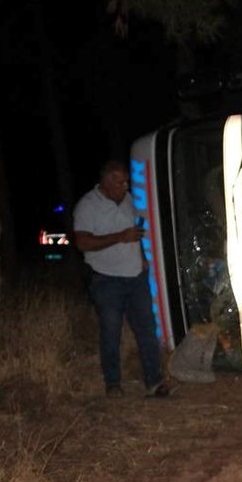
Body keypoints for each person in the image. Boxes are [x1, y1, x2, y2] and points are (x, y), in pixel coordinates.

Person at [72, 159, 170, 398]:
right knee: (111, 332)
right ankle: (113, 383)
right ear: (105, 181)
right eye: (119, 181)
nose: (125, 185)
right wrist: (120, 237)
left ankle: (154, 382)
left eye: (126, 181)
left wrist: (144, 258)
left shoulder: (128, 201)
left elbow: (136, 232)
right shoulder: (87, 205)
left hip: (136, 277)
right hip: (107, 279)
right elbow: (82, 242)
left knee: (147, 329)